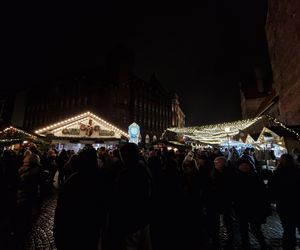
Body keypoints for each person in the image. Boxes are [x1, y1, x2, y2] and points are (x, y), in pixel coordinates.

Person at [54, 148, 105, 250]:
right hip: (92, 227)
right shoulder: (101, 179)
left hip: (74, 227)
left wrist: (58, 231)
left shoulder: (73, 180)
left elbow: (62, 207)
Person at [103, 143, 152, 250]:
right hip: (144, 218)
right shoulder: (145, 169)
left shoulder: (125, 174)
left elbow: (118, 199)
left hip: (130, 222)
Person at [233, 159, 272, 250]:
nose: (245, 166)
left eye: (246, 165)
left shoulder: (255, 176)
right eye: (242, 165)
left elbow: (262, 192)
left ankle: (263, 244)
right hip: (241, 207)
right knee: (243, 229)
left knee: (256, 228)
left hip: (254, 207)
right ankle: (246, 245)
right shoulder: (235, 177)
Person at [268, 154, 300, 250]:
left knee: (288, 230)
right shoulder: (298, 171)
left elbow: (272, 190)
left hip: (284, 205)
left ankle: (289, 247)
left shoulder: (277, 173)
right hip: (298, 204)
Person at [204, 156, 235, 249]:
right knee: (216, 221)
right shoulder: (212, 172)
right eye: (215, 163)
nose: (215, 164)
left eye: (217, 162)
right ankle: (216, 237)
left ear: (222, 163)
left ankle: (230, 237)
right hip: (215, 201)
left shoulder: (228, 173)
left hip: (225, 200)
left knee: (227, 220)